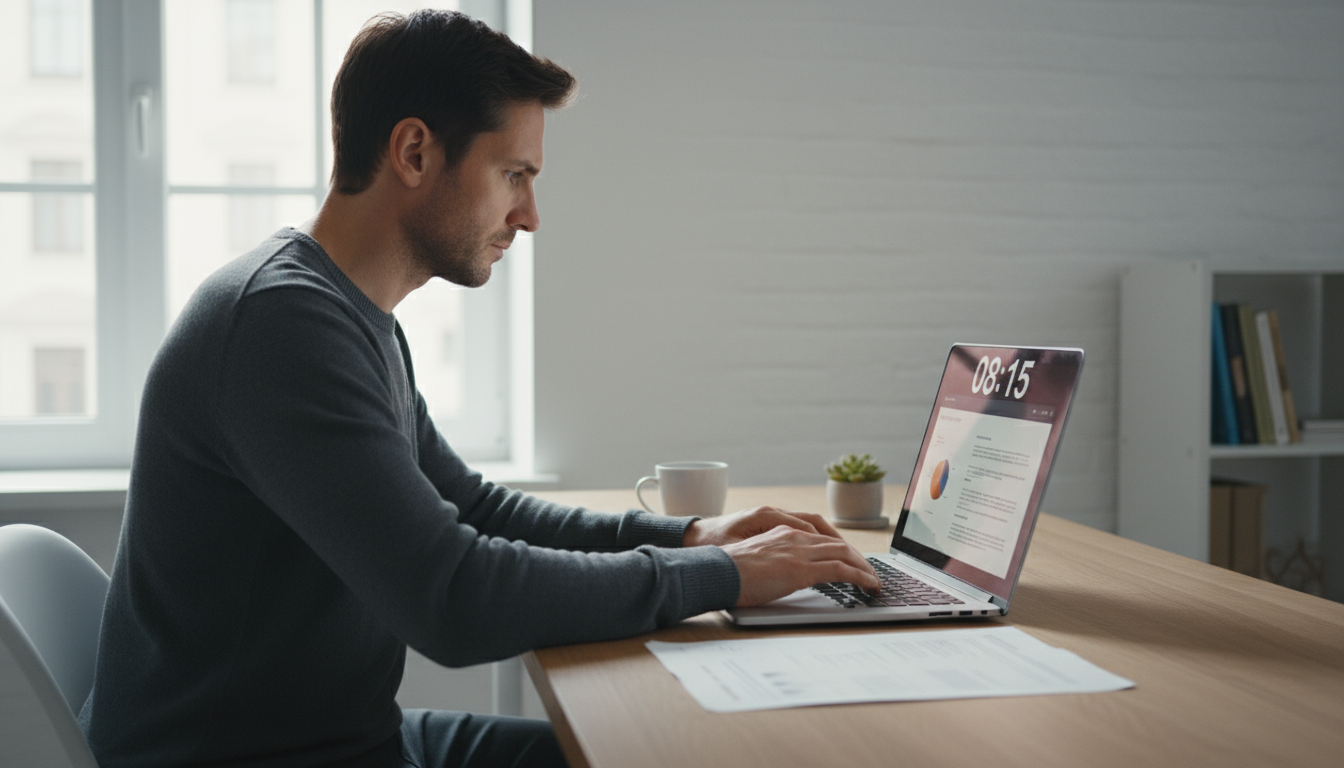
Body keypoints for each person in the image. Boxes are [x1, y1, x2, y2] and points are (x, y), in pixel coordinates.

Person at [79, 10, 879, 768]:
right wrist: (731, 577)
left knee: (661, 753)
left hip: (348, 742)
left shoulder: (352, 318)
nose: (529, 215)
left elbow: (473, 509)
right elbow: (454, 601)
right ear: (415, 152)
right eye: (513, 174)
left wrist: (695, 538)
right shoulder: (280, 328)